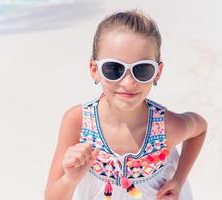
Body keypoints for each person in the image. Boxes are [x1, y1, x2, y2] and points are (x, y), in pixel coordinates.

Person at [44, 10, 207, 200]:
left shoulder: (166, 127)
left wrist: (179, 179)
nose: (128, 83)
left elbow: (199, 128)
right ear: (95, 70)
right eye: (114, 69)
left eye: (143, 69)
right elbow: (52, 197)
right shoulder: (77, 121)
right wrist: (70, 179)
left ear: (157, 72)